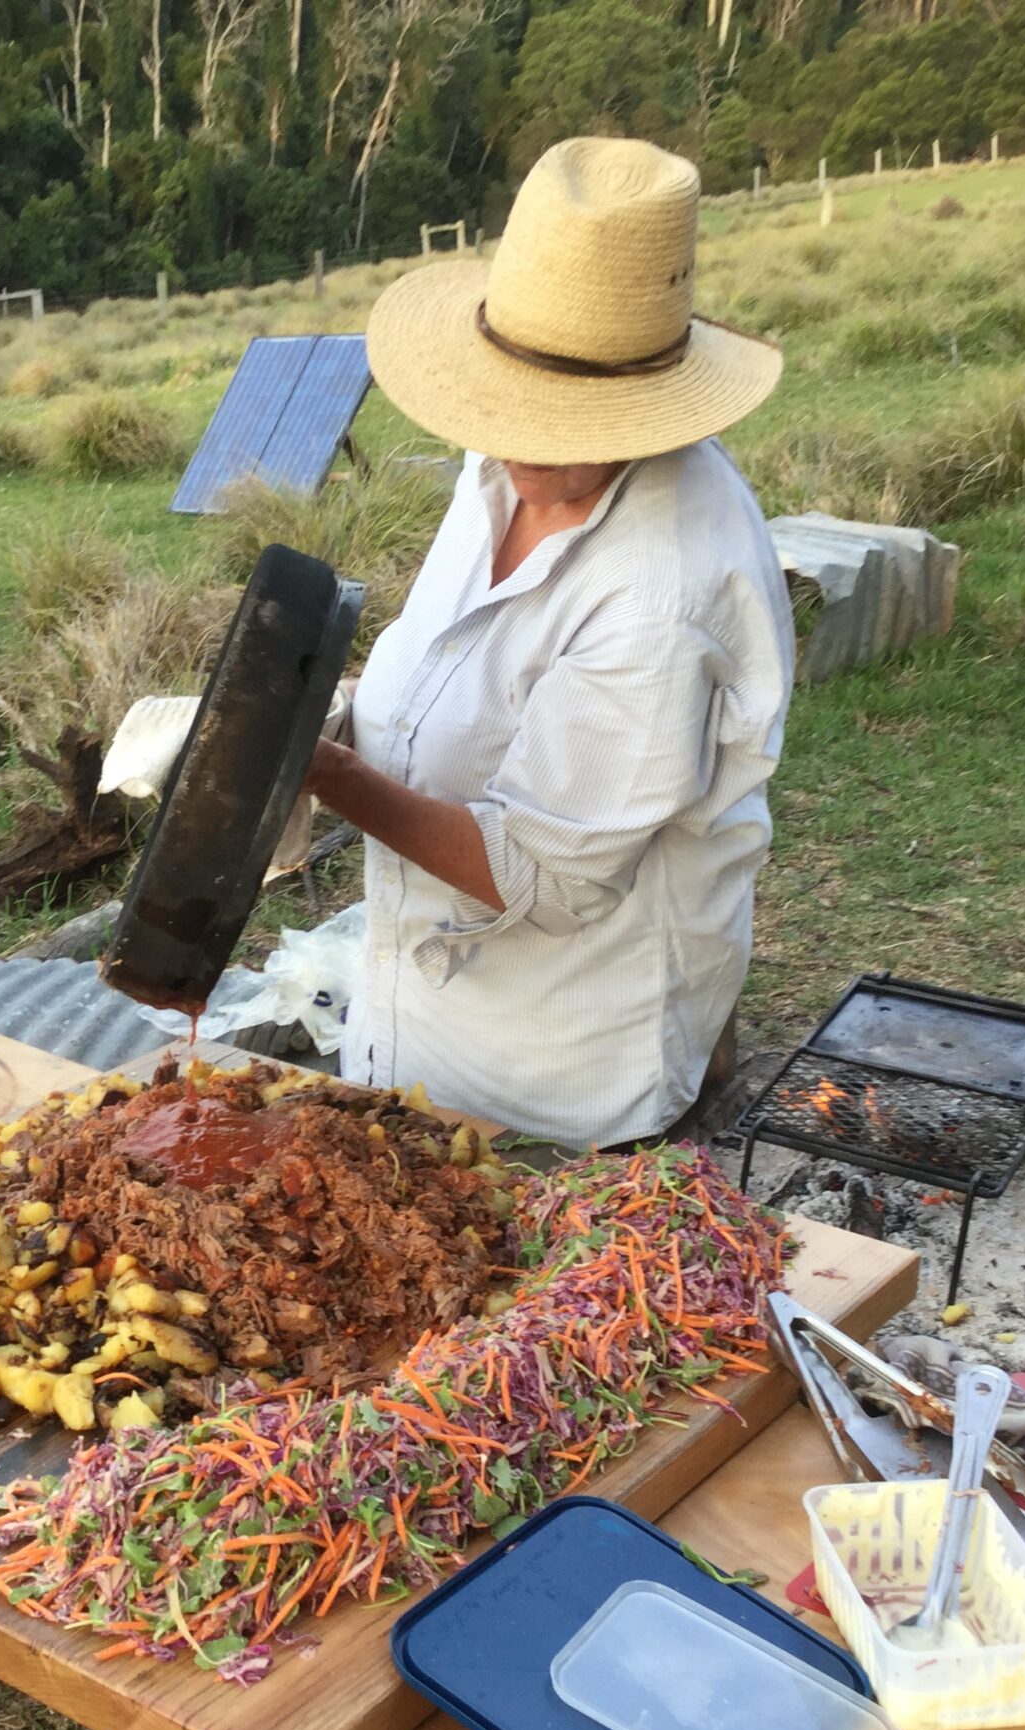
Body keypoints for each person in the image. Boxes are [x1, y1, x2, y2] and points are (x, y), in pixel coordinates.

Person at [302, 136, 794, 1148]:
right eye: (510, 404)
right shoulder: (506, 462)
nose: (523, 443)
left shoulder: (661, 588)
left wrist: (325, 777)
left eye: (568, 416)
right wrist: (314, 711)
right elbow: (455, 671)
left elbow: (548, 880)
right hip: (424, 1034)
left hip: (565, 1079)